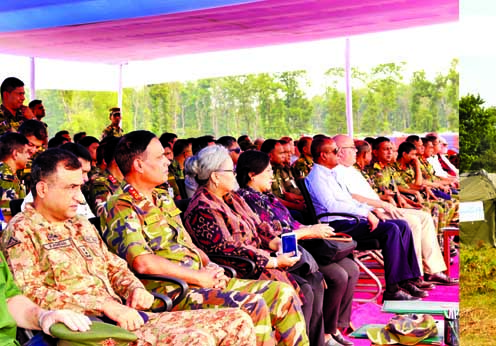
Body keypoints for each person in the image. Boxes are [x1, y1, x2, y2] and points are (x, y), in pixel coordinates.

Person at [1, 149, 256, 345]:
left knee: (237, 320)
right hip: (88, 328)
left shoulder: (79, 224)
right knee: (197, 339)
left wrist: (133, 288)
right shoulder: (23, 230)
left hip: (126, 316)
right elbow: (30, 292)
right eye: (71, 188)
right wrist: (102, 306)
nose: (80, 198)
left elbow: (114, 266)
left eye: (80, 187)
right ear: (43, 189)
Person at [99, 130, 308, 346]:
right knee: (253, 304)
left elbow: (187, 244)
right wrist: (198, 277)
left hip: (199, 281)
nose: (167, 162)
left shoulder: (161, 198)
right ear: (139, 165)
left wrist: (210, 265)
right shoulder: (121, 206)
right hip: (172, 291)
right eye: (160, 157)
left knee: (282, 293)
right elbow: (142, 262)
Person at [183, 145, 335, 346]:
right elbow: (226, 249)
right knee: (304, 288)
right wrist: (272, 261)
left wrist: (275, 241)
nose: (235, 174)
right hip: (242, 269)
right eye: (230, 170)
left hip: (262, 258)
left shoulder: (233, 198)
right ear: (215, 177)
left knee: (314, 279)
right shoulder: (202, 209)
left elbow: (258, 225)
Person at [235, 149, 358, 346]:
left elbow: (291, 222)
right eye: (267, 172)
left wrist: (311, 229)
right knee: (336, 275)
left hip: (303, 242)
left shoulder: (267, 197)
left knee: (351, 268)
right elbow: (272, 235)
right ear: (251, 174)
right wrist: (308, 232)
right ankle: (318, 337)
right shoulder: (245, 200)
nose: (272, 176)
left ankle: (332, 329)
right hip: (285, 250)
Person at [305, 137, 424, 301]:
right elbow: (332, 206)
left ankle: (407, 279)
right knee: (391, 229)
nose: (338, 154)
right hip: (336, 224)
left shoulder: (331, 174)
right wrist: (365, 213)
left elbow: (350, 200)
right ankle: (392, 290)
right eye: (334, 151)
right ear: (323, 155)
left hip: (349, 219)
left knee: (402, 225)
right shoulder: (318, 177)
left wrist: (368, 210)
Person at [333, 135, 457, 286]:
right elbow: (353, 198)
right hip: (369, 212)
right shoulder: (337, 172)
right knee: (412, 221)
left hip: (380, 207)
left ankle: (433, 270)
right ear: (340, 152)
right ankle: (415, 274)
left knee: (424, 217)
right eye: (351, 148)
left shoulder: (351, 170)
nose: (355, 151)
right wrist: (381, 204)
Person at [0, 133, 29, 220]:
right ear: (15, 154)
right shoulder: (7, 178)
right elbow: (7, 217)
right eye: (26, 152)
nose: (28, 156)